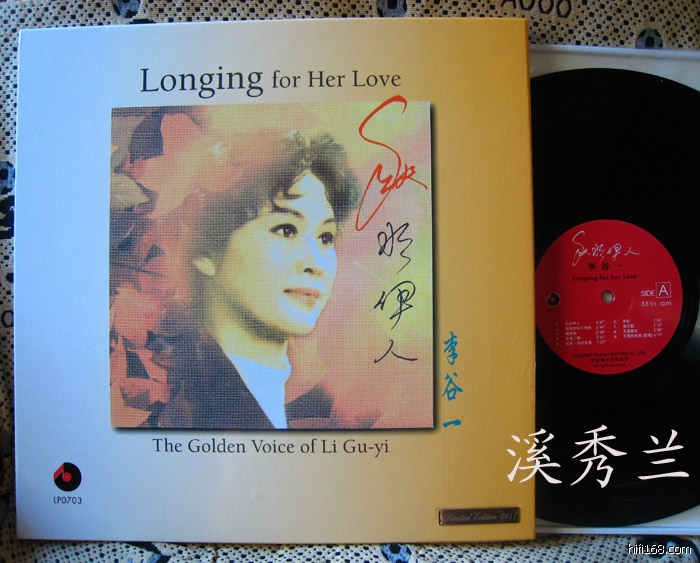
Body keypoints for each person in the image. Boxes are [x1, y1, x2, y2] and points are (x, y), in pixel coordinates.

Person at [140, 130, 360, 429]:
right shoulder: (172, 400)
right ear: (206, 251)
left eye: (325, 237)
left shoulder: (327, 403)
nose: (316, 263)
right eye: (286, 230)